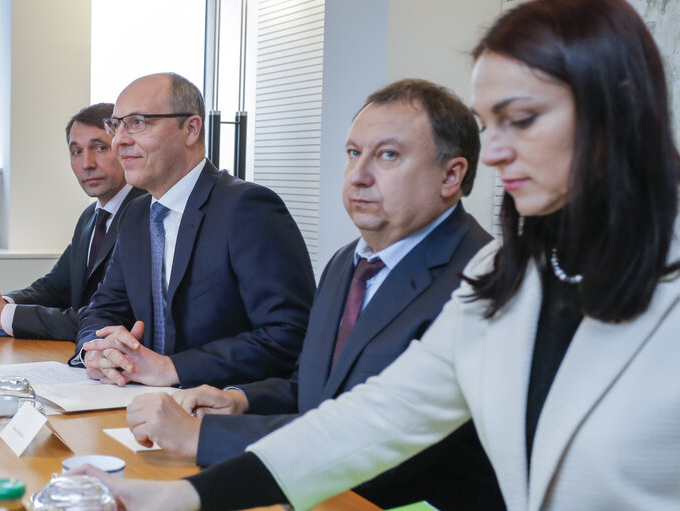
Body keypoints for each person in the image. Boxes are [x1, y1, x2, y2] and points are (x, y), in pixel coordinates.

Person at [72, 0, 680, 509]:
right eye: (488, 124)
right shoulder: (501, 276)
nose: (494, 152)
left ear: (615, 110)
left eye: (520, 120)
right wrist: (179, 498)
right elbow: (373, 420)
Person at [124, 79, 503, 510]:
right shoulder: (347, 263)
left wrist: (206, 438)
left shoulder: (481, 279)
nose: (359, 176)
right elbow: (314, 390)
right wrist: (240, 400)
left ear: (451, 175)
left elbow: (394, 441)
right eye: (354, 153)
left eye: (389, 156)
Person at [73, 73, 315, 389]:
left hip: (224, 410)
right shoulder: (135, 214)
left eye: (137, 123)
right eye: (116, 125)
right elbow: (103, 309)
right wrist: (96, 350)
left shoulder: (247, 207)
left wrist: (172, 368)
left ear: (191, 129)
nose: (119, 141)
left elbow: (289, 333)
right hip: (135, 401)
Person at [0, 103, 146, 341]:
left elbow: (116, 317)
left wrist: (5, 315)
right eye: (76, 151)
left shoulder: (145, 214)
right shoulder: (91, 217)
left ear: (123, 148)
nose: (87, 163)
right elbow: (54, 287)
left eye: (99, 147)